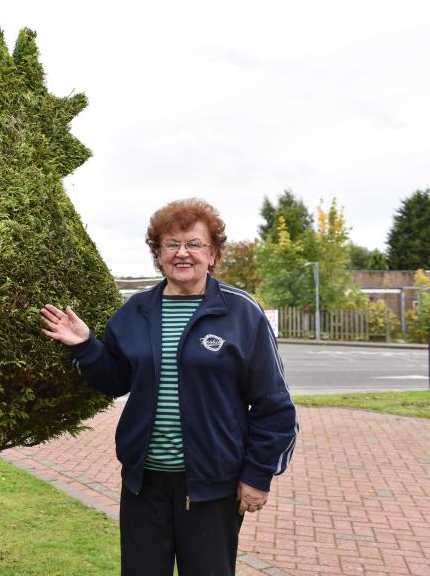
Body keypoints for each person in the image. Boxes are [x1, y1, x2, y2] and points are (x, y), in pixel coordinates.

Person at [39, 198, 297, 576]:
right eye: (171, 245)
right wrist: (86, 346)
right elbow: (115, 381)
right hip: (144, 484)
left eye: (194, 244)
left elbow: (274, 406)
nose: (182, 253)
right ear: (158, 254)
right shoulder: (136, 311)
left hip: (213, 487)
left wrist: (258, 475)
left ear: (213, 253)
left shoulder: (242, 312)